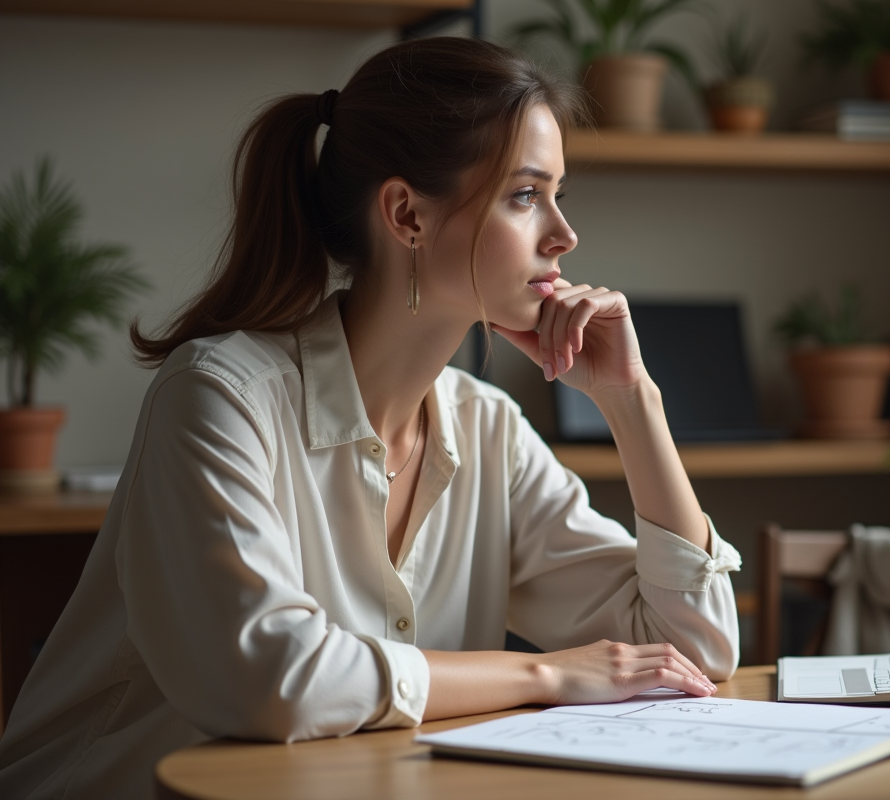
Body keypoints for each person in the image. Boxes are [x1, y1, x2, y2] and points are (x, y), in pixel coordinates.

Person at [0, 36, 740, 800]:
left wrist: (633, 401)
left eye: (560, 194)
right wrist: (546, 672)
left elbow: (691, 651)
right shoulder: (220, 398)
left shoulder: (490, 430)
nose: (564, 235)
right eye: (524, 195)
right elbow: (270, 678)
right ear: (406, 215)